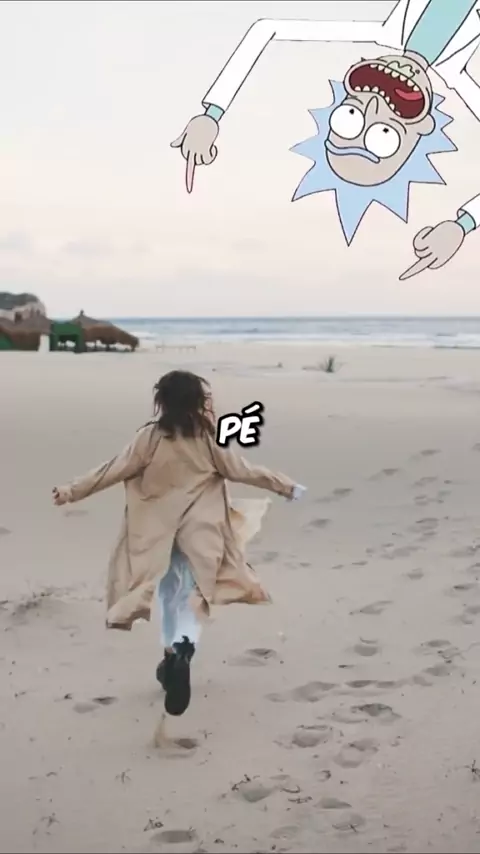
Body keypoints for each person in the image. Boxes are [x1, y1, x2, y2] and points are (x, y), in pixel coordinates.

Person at [52, 370, 305, 717]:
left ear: (163, 402)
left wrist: (70, 491)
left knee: (171, 594)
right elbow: (243, 470)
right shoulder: (209, 439)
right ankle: (181, 652)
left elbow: (112, 469)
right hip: (202, 535)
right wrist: (286, 486)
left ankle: (172, 656)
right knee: (191, 596)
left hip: (159, 534)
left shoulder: (150, 438)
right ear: (197, 401)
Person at [171, 0, 480, 273]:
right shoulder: (459, 81)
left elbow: (266, 30)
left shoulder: (383, 32)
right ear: (423, 126)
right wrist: (464, 224)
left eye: (349, 119)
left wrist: (212, 113)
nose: (374, 106)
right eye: (383, 135)